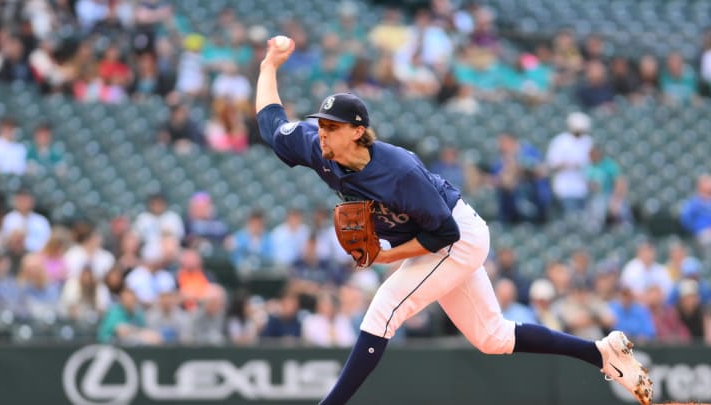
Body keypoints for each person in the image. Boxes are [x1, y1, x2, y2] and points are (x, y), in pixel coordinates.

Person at [254, 38, 652, 405]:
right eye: (321, 125)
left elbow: (446, 233)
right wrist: (269, 66)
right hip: (436, 238)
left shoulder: (400, 171)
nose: (322, 133)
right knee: (492, 337)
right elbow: (271, 124)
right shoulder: (318, 148)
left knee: (384, 309)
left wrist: (385, 257)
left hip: (457, 236)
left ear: (358, 132)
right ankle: (600, 353)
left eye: (332, 127)